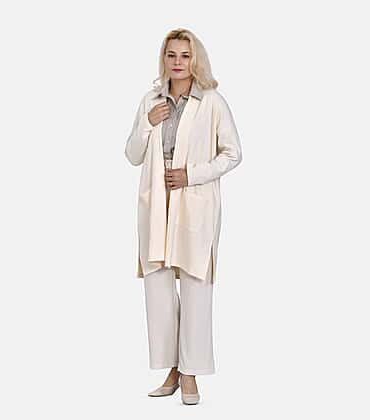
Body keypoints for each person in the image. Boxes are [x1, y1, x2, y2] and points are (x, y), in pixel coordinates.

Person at [124, 28, 242, 405]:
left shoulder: (211, 101)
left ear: (195, 60)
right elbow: (132, 155)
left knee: (194, 284)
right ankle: (172, 369)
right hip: (157, 201)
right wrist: (148, 122)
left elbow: (233, 153)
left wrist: (191, 175)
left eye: (185, 55)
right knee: (158, 286)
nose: (178, 62)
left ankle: (191, 373)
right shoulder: (151, 101)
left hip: (193, 200)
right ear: (164, 58)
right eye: (171, 55)